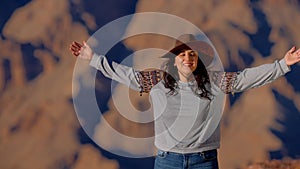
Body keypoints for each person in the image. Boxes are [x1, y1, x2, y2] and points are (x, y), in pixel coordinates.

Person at [69, 34, 300, 169]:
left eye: (192, 55)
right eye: (182, 54)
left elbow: (245, 79)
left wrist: (282, 65)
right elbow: (123, 74)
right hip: (167, 161)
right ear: (174, 59)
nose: (187, 59)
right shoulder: (156, 80)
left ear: (199, 60)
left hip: (204, 161)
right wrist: (93, 58)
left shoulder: (214, 81)